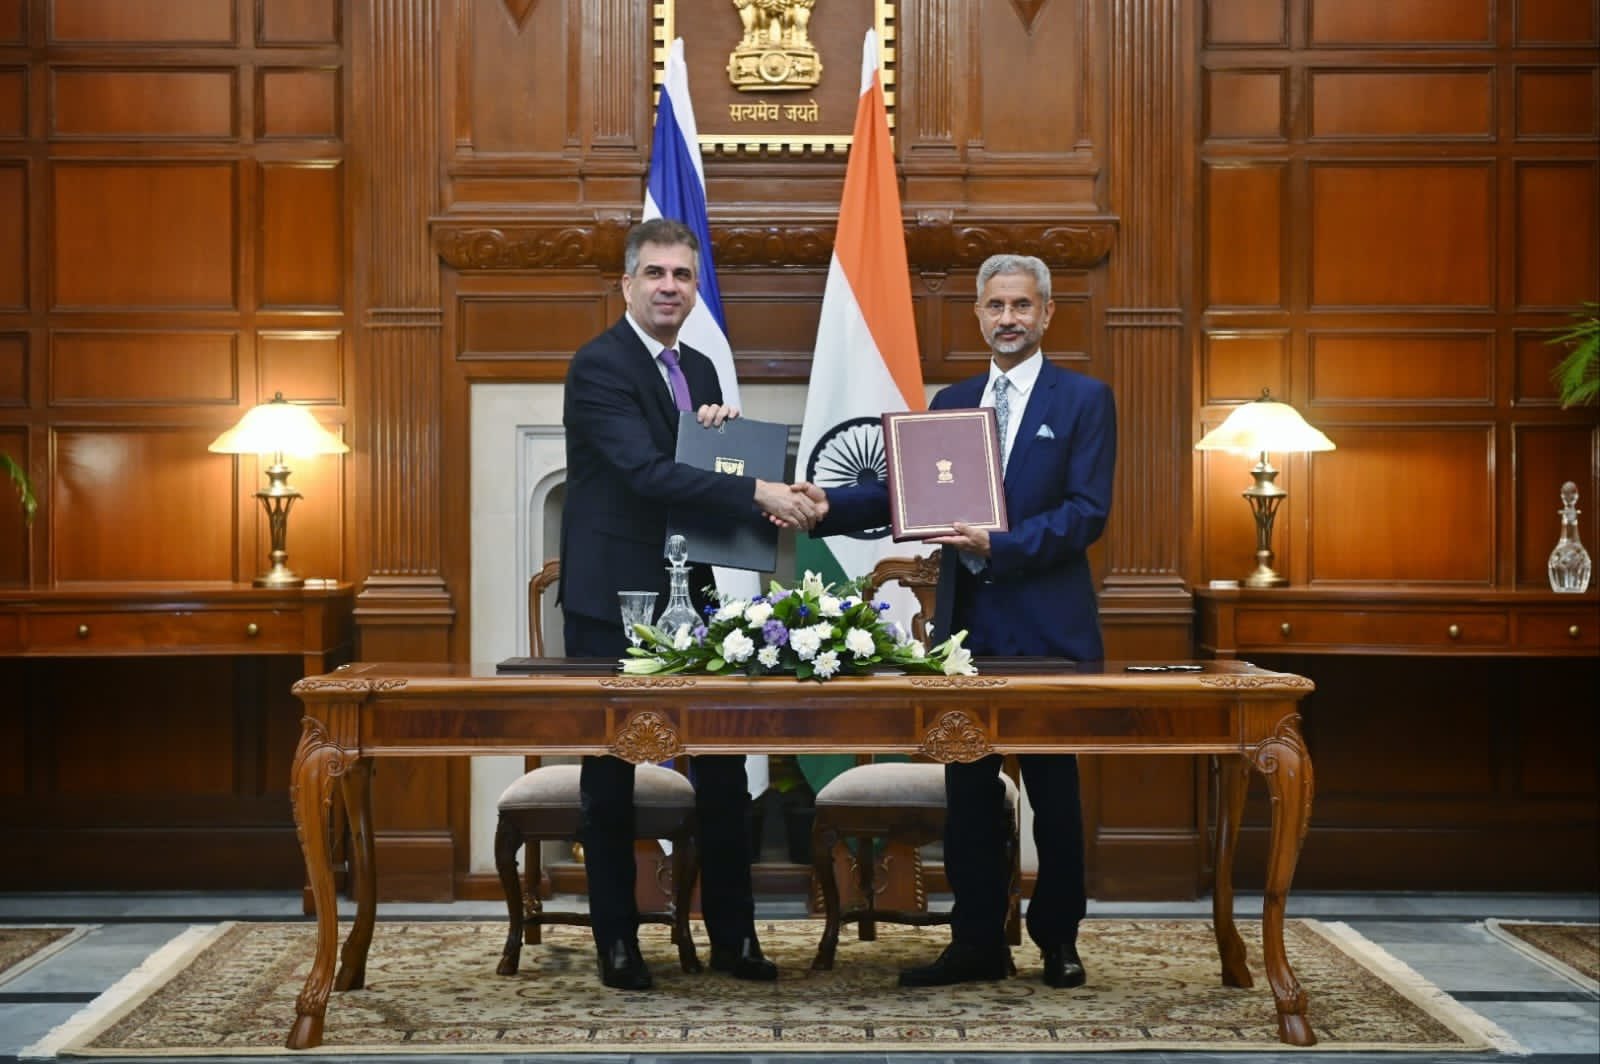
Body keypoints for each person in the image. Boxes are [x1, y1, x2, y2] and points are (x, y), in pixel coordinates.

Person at [803, 253, 1117, 990]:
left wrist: (998, 544)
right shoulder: (952, 401)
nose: (1008, 319)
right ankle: (976, 941)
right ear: (978, 314)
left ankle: (1057, 941)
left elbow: (1086, 513)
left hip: (1049, 633)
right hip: (966, 635)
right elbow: (899, 492)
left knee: (1054, 796)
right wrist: (824, 505)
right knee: (970, 797)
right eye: (995, 306)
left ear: (1046, 314)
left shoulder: (1083, 400)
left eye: (1022, 306)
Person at [559, 218, 819, 990]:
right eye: (656, 274)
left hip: (693, 593)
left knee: (723, 766)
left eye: (682, 275)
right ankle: (619, 943)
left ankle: (734, 939)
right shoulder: (597, 366)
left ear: (693, 286)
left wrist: (734, 458)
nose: (670, 286)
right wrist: (757, 491)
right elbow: (644, 471)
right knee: (610, 776)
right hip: (614, 601)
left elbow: (701, 463)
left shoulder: (701, 368)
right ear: (628, 284)